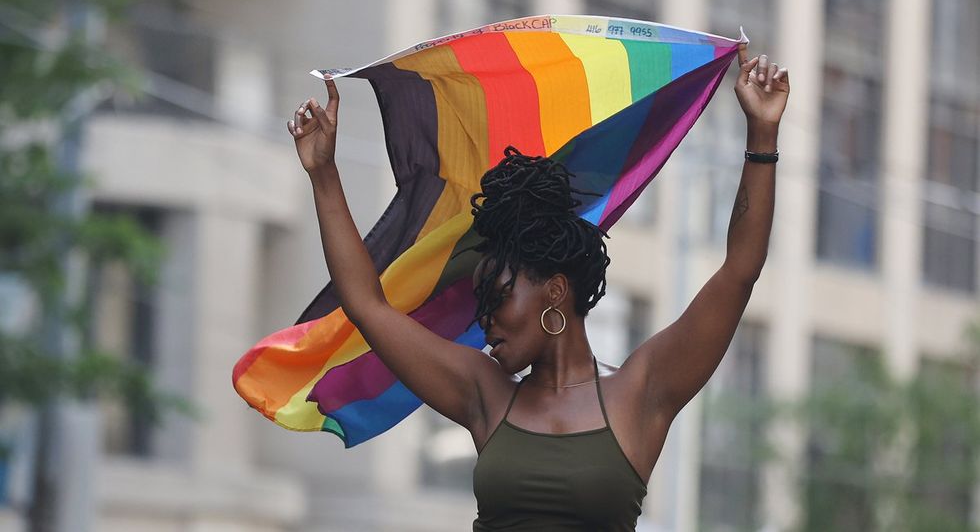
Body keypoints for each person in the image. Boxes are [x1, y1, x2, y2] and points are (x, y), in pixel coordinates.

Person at [286, 42, 789, 531]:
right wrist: (323, 173)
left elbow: (739, 269)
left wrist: (762, 135)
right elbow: (366, 304)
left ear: (554, 292)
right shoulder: (483, 392)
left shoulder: (642, 392)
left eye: (497, 298)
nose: (485, 320)